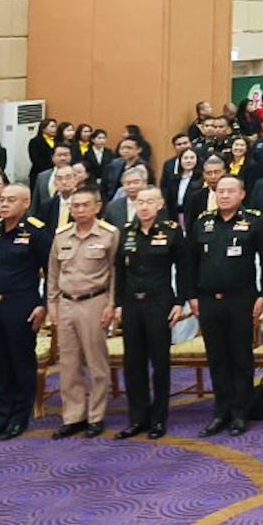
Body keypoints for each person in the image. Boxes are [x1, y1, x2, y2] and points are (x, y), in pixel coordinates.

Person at [185, 175, 263, 437]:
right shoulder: (203, 222)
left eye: (230, 191)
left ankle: (240, 412)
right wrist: (191, 296)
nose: (224, 195)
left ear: (242, 194)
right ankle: (221, 411)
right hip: (208, 300)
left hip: (241, 300)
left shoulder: (255, 221)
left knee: (241, 357)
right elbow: (190, 263)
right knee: (217, 358)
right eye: (220, 191)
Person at [0, 183, 51, 440]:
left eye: (10, 200)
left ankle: (20, 418)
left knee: (21, 362)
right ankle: (1, 417)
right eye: (1, 200)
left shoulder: (36, 231)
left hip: (22, 305)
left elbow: (52, 271)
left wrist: (44, 304)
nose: (4, 204)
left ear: (26, 203)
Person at [111, 186, 186, 440]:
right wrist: (118, 303)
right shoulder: (126, 232)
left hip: (159, 303)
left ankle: (158, 419)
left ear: (160, 204)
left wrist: (180, 301)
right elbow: (119, 271)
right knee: (133, 363)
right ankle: (137, 418)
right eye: (140, 202)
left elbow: (184, 267)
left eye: (149, 202)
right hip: (132, 304)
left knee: (160, 362)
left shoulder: (171, 232)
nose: (144, 206)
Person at [46, 186, 119, 438]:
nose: (79, 210)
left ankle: (96, 416)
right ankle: (73, 416)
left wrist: (111, 304)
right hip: (66, 304)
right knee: (68, 364)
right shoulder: (61, 235)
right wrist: (52, 306)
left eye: (85, 205)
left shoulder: (109, 234)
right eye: (75, 206)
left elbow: (115, 273)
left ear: (97, 207)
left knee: (97, 363)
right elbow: (53, 274)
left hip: (94, 303)